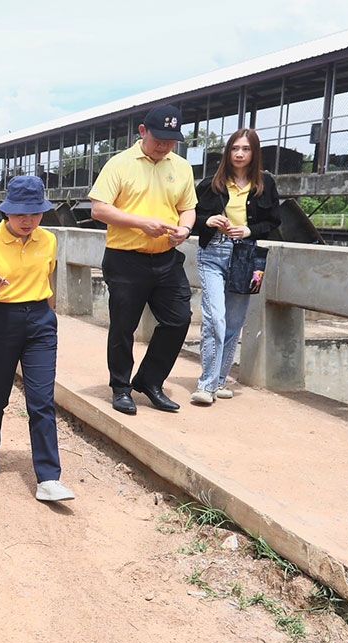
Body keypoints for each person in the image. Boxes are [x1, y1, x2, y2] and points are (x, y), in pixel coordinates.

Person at [0, 176, 74, 502]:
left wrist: (50, 316)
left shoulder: (49, 240)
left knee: (41, 400)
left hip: (40, 321)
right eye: (21, 214)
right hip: (1, 320)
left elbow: (50, 279)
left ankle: (48, 478)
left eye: (35, 213)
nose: (28, 221)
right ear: (7, 212)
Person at [89, 103, 197, 415]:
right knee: (124, 326)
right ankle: (121, 387)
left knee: (178, 319)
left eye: (170, 140)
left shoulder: (181, 167)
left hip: (166, 257)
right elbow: (99, 209)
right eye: (158, 139)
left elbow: (187, 207)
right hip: (125, 259)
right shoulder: (119, 164)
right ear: (142, 132)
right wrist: (141, 223)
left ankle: (150, 381)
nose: (164, 146)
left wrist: (185, 228)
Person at [189, 129, 280, 405]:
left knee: (234, 322)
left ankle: (218, 381)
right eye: (235, 148)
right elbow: (190, 215)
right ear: (228, 152)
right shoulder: (211, 184)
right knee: (215, 317)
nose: (239, 154)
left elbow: (274, 220)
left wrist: (249, 230)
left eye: (246, 149)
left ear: (254, 153)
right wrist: (208, 221)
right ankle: (206, 385)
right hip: (213, 253)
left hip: (245, 255)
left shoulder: (265, 183)